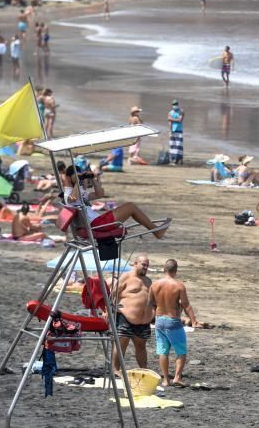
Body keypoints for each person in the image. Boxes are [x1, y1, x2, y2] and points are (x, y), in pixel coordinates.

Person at [63, 165, 169, 238]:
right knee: (130, 206)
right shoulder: (68, 193)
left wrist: (93, 178)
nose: (78, 178)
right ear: (68, 177)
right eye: (75, 175)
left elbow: (100, 194)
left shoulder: (78, 191)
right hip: (97, 224)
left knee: (129, 206)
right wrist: (77, 182)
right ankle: (157, 231)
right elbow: (73, 198)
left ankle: (156, 231)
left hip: (98, 221)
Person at [150, 259, 200, 387]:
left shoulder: (155, 285)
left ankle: (166, 380)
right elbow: (186, 304)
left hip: (159, 320)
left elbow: (151, 303)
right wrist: (193, 321)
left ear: (163, 269)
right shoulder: (178, 285)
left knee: (162, 351)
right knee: (181, 351)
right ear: (175, 271)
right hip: (173, 321)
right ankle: (177, 377)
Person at [113, 255, 154, 372]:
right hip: (125, 316)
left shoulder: (148, 281)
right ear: (135, 264)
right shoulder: (126, 277)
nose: (145, 267)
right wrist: (107, 310)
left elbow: (151, 299)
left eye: (147, 265)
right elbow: (112, 294)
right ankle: (115, 370)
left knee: (141, 347)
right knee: (121, 345)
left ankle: (144, 370)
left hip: (143, 321)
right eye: (143, 264)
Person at [167, 100, 184, 165]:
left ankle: (179, 159)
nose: (175, 105)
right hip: (172, 130)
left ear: (178, 104)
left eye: (176, 104)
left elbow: (180, 120)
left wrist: (171, 119)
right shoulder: (170, 112)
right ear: (172, 105)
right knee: (172, 145)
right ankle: (173, 159)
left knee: (179, 145)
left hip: (179, 130)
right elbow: (169, 122)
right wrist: (170, 131)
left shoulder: (181, 111)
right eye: (174, 104)